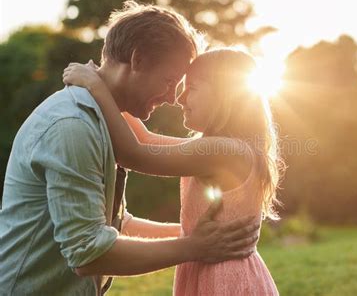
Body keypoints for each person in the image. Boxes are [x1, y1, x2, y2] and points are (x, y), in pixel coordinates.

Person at [0, 1, 259, 296]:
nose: (174, 97)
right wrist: (194, 244)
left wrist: (201, 239)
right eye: (170, 80)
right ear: (138, 61)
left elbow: (117, 221)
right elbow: (89, 251)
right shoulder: (74, 126)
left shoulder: (97, 121)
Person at [62, 48, 284, 295]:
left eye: (193, 88)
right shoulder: (220, 147)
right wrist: (113, 88)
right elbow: (144, 139)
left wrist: (97, 87)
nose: (180, 98)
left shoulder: (223, 150)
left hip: (227, 280)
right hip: (214, 269)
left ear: (225, 95)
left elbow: (134, 153)